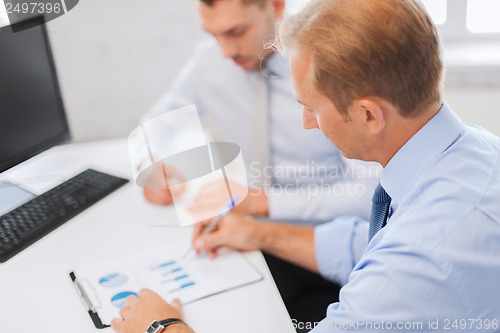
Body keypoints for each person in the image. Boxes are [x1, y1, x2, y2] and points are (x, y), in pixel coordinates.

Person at [112, 0, 500, 332]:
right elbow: (366, 242)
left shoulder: (415, 261)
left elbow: (397, 259)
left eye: (311, 108)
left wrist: (161, 327)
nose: (307, 123)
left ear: (368, 114)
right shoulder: (472, 150)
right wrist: (259, 234)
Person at [136, 0, 379, 327]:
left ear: (276, 6)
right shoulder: (209, 63)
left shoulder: (333, 64)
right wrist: (150, 165)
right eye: (214, 35)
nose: (225, 51)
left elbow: (371, 196)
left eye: (236, 31)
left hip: (341, 252)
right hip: (255, 239)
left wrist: (264, 200)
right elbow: (155, 125)